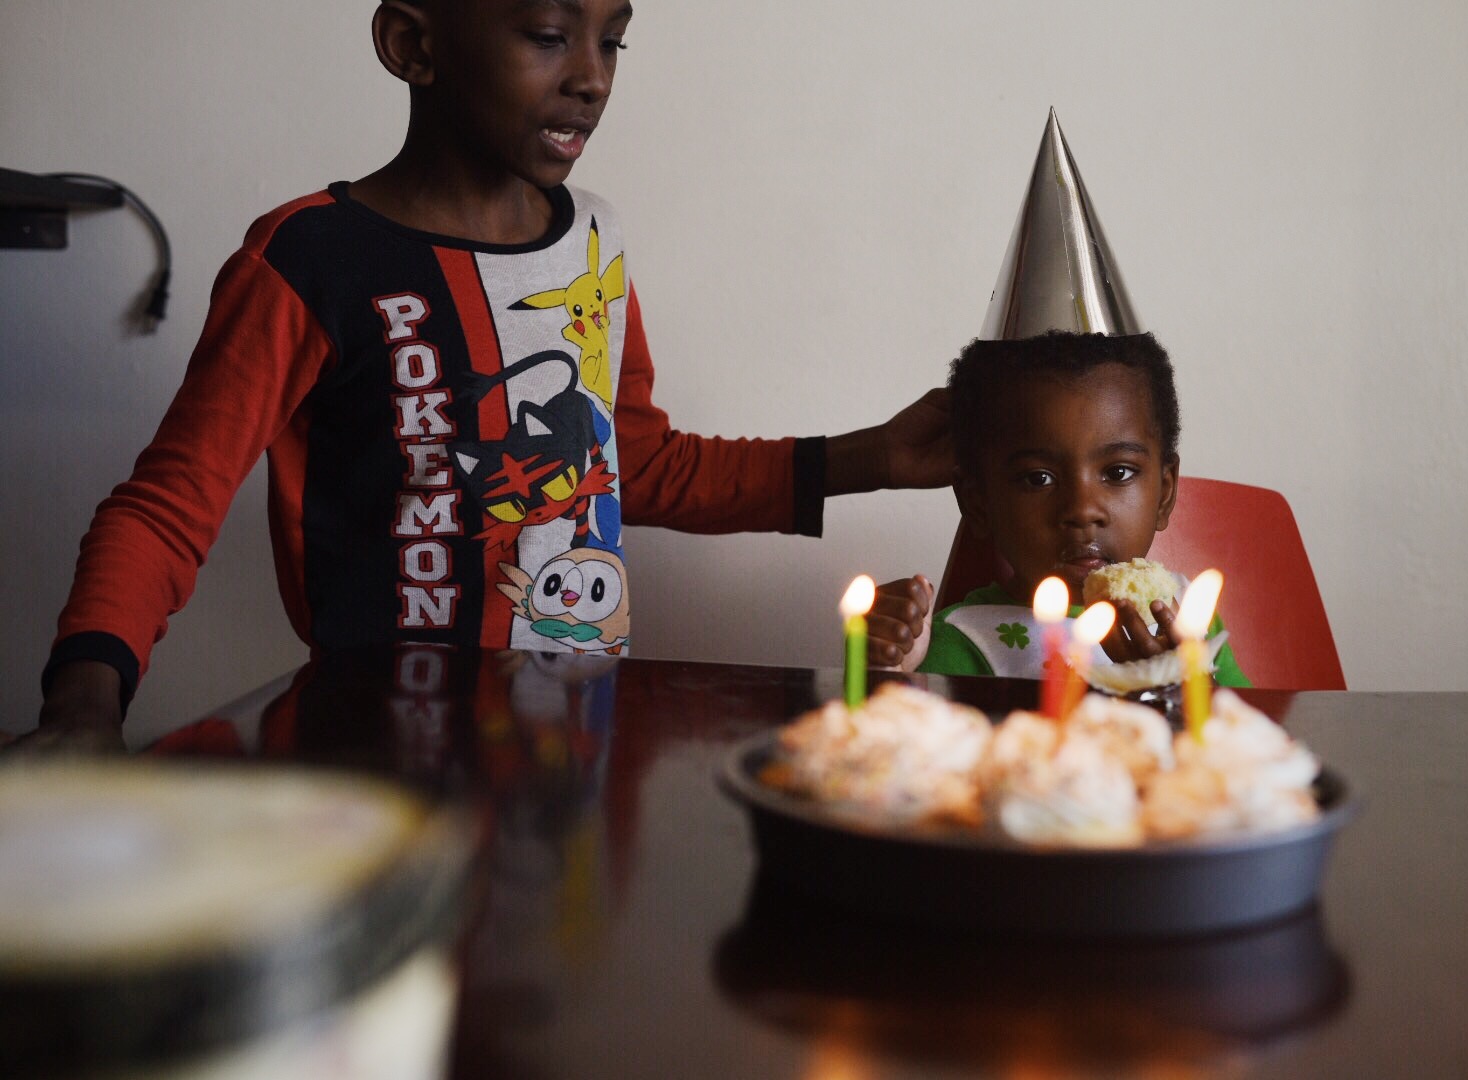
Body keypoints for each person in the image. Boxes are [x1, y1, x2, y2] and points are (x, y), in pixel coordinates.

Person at [26, 0, 951, 752]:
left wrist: (866, 457)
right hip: (374, 758)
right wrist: (82, 708)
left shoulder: (595, 240)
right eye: (549, 35)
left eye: (613, 39)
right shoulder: (307, 261)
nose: (591, 76)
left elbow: (634, 463)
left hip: (570, 759)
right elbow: (167, 506)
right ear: (413, 44)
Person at [866, 330, 1247, 683]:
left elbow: (1252, 741)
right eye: (1039, 479)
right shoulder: (967, 639)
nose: (1082, 510)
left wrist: (1187, 689)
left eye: (1117, 472)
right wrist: (889, 679)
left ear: (1164, 492)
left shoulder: (1188, 617)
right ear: (977, 502)